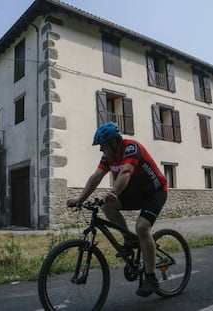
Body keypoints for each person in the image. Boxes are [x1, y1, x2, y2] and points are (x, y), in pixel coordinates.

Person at [66, 122, 168, 297]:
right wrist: (79, 200)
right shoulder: (109, 157)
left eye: (102, 146)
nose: (100, 150)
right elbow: (96, 177)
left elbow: (126, 172)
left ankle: (151, 278)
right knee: (106, 206)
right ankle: (130, 240)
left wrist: (114, 192)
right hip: (135, 193)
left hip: (154, 192)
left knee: (142, 228)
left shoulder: (132, 148)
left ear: (114, 142)